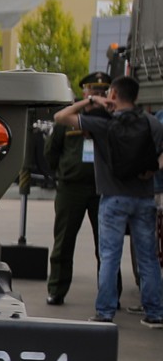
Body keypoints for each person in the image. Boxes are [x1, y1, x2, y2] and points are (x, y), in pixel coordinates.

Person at [54, 74, 163, 326]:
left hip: (113, 199)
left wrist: (91, 100)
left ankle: (105, 312)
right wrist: (154, 169)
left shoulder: (103, 123)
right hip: (144, 199)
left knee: (110, 256)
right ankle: (155, 313)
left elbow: (60, 117)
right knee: (148, 258)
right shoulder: (150, 122)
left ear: (112, 94)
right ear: (136, 96)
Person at [40, 71, 110, 305]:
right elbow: (51, 151)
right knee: (64, 242)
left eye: (102, 91)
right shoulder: (71, 117)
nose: (98, 94)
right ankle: (57, 289)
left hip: (102, 189)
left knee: (106, 245)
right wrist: (63, 173)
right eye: (94, 91)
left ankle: (110, 292)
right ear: (85, 92)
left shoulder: (110, 118)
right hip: (71, 188)